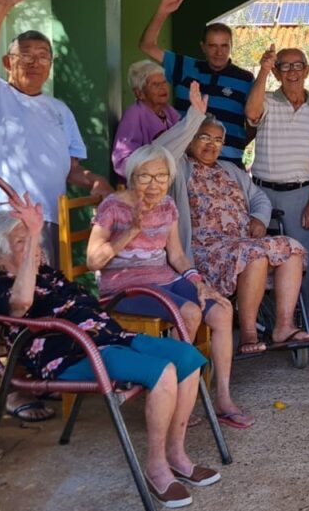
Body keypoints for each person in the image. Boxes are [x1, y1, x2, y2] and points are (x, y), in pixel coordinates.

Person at [0, 192, 218, 508]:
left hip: (109, 338)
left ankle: (177, 454)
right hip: (73, 354)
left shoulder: (49, 275)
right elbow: (21, 305)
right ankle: (157, 467)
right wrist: (36, 230)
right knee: (163, 372)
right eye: (24, 242)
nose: (35, 249)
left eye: (33, 241)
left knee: (188, 358)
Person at [0, 0, 112, 421]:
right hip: (6, 221)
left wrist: (95, 181)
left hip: (46, 219)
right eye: (25, 57)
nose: (35, 63)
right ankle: (15, 391)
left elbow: (70, 169)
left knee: (43, 301)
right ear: (9, 62)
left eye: (43, 57)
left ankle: (42, 377)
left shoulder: (58, 109)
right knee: (13, 307)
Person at [86, 141, 253, 430]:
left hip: (165, 278)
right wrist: (131, 232)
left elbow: (175, 255)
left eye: (162, 177)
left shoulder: (167, 205)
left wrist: (199, 282)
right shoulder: (112, 206)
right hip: (124, 287)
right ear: (131, 176)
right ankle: (173, 397)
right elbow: (93, 261)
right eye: (145, 177)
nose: (155, 185)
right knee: (189, 313)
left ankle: (223, 399)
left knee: (223, 310)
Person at [185, 115, 309, 352]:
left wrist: (259, 218)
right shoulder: (180, 169)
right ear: (189, 139)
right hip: (206, 251)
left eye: (217, 140)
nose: (211, 145)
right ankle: (248, 333)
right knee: (255, 255)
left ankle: (284, 326)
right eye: (204, 138)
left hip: (241, 243)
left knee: (292, 249)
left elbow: (259, 198)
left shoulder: (230, 169)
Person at [244, 44, 309, 299]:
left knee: (304, 256)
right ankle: (263, 315)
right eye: (285, 66)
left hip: (301, 194)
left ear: (306, 71)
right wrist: (262, 70)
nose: (292, 72)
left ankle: (305, 314)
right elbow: (251, 112)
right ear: (277, 72)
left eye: (298, 66)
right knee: (259, 254)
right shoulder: (267, 101)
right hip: (262, 192)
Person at [139, 0, 254, 165]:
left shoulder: (245, 79)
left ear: (231, 46)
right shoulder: (185, 66)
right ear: (203, 46)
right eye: (212, 46)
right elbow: (147, 46)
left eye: (224, 46)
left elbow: (254, 122)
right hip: (185, 160)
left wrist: (234, 146)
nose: (219, 52)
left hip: (228, 164)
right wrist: (162, 12)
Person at [111, 60, 181, 179]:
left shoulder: (169, 112)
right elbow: (122, 161)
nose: (163, 87)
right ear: (140, 93)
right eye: (155, 84)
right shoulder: (133, 114)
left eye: (164, 82)